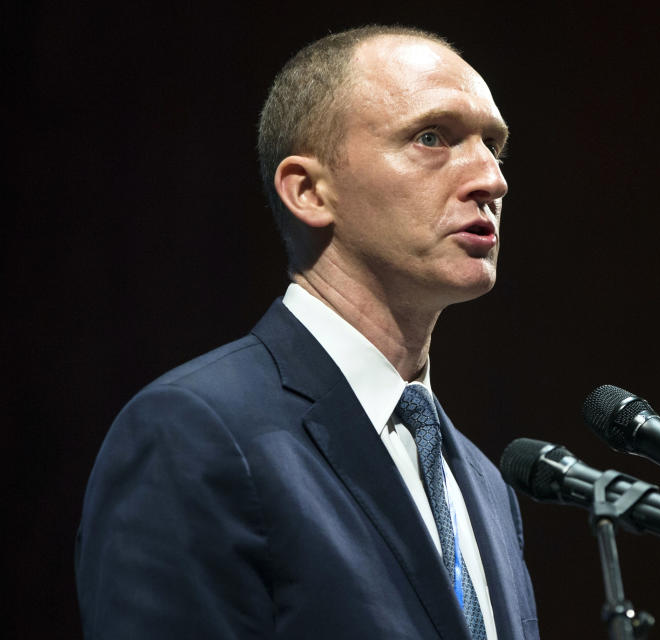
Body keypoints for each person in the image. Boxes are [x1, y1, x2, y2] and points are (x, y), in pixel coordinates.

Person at [75, 25, 539, 640]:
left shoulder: (482, 483)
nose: (491, 179)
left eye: (493, 146)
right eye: (433, 137)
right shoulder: (194, 431)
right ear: (309, 191)